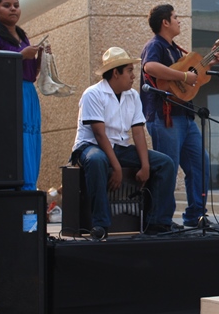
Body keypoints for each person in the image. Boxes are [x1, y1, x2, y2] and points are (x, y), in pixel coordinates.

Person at [71, 47, 176, 238]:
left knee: (165, 163)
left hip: (119, 147)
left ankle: (157, 223)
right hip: (90, 146)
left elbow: (138, 132)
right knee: (96, 160)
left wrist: (145, 165)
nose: (133, 76)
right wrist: (117, 167)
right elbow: (99, 134)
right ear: (116, 72)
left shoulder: (132, 96)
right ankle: (100, 225)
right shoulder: (93, 94)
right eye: (129, 70)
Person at [140, 4, 219, 228]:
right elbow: (151, 67)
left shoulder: (176, 50)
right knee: (168, 168)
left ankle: (196, 215)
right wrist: (184, 75)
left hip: (185, 115)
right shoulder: (155, 45)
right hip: (164, 115)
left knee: (200, 163)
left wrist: (209, 63)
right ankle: (160, 220)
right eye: (175, 17)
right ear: (165, 22)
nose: (179, 21)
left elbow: (193, 78)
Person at [0, 0, 45, 191]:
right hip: (6, 95)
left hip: (27, 93)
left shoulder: (21, 35)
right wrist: (22, 55)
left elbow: (31, 73)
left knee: (30, 141)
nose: (13, 9)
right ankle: (15, 189)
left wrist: (40, 57)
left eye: (16, 5)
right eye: (7, 5)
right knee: (16, 141)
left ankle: (29, 188)